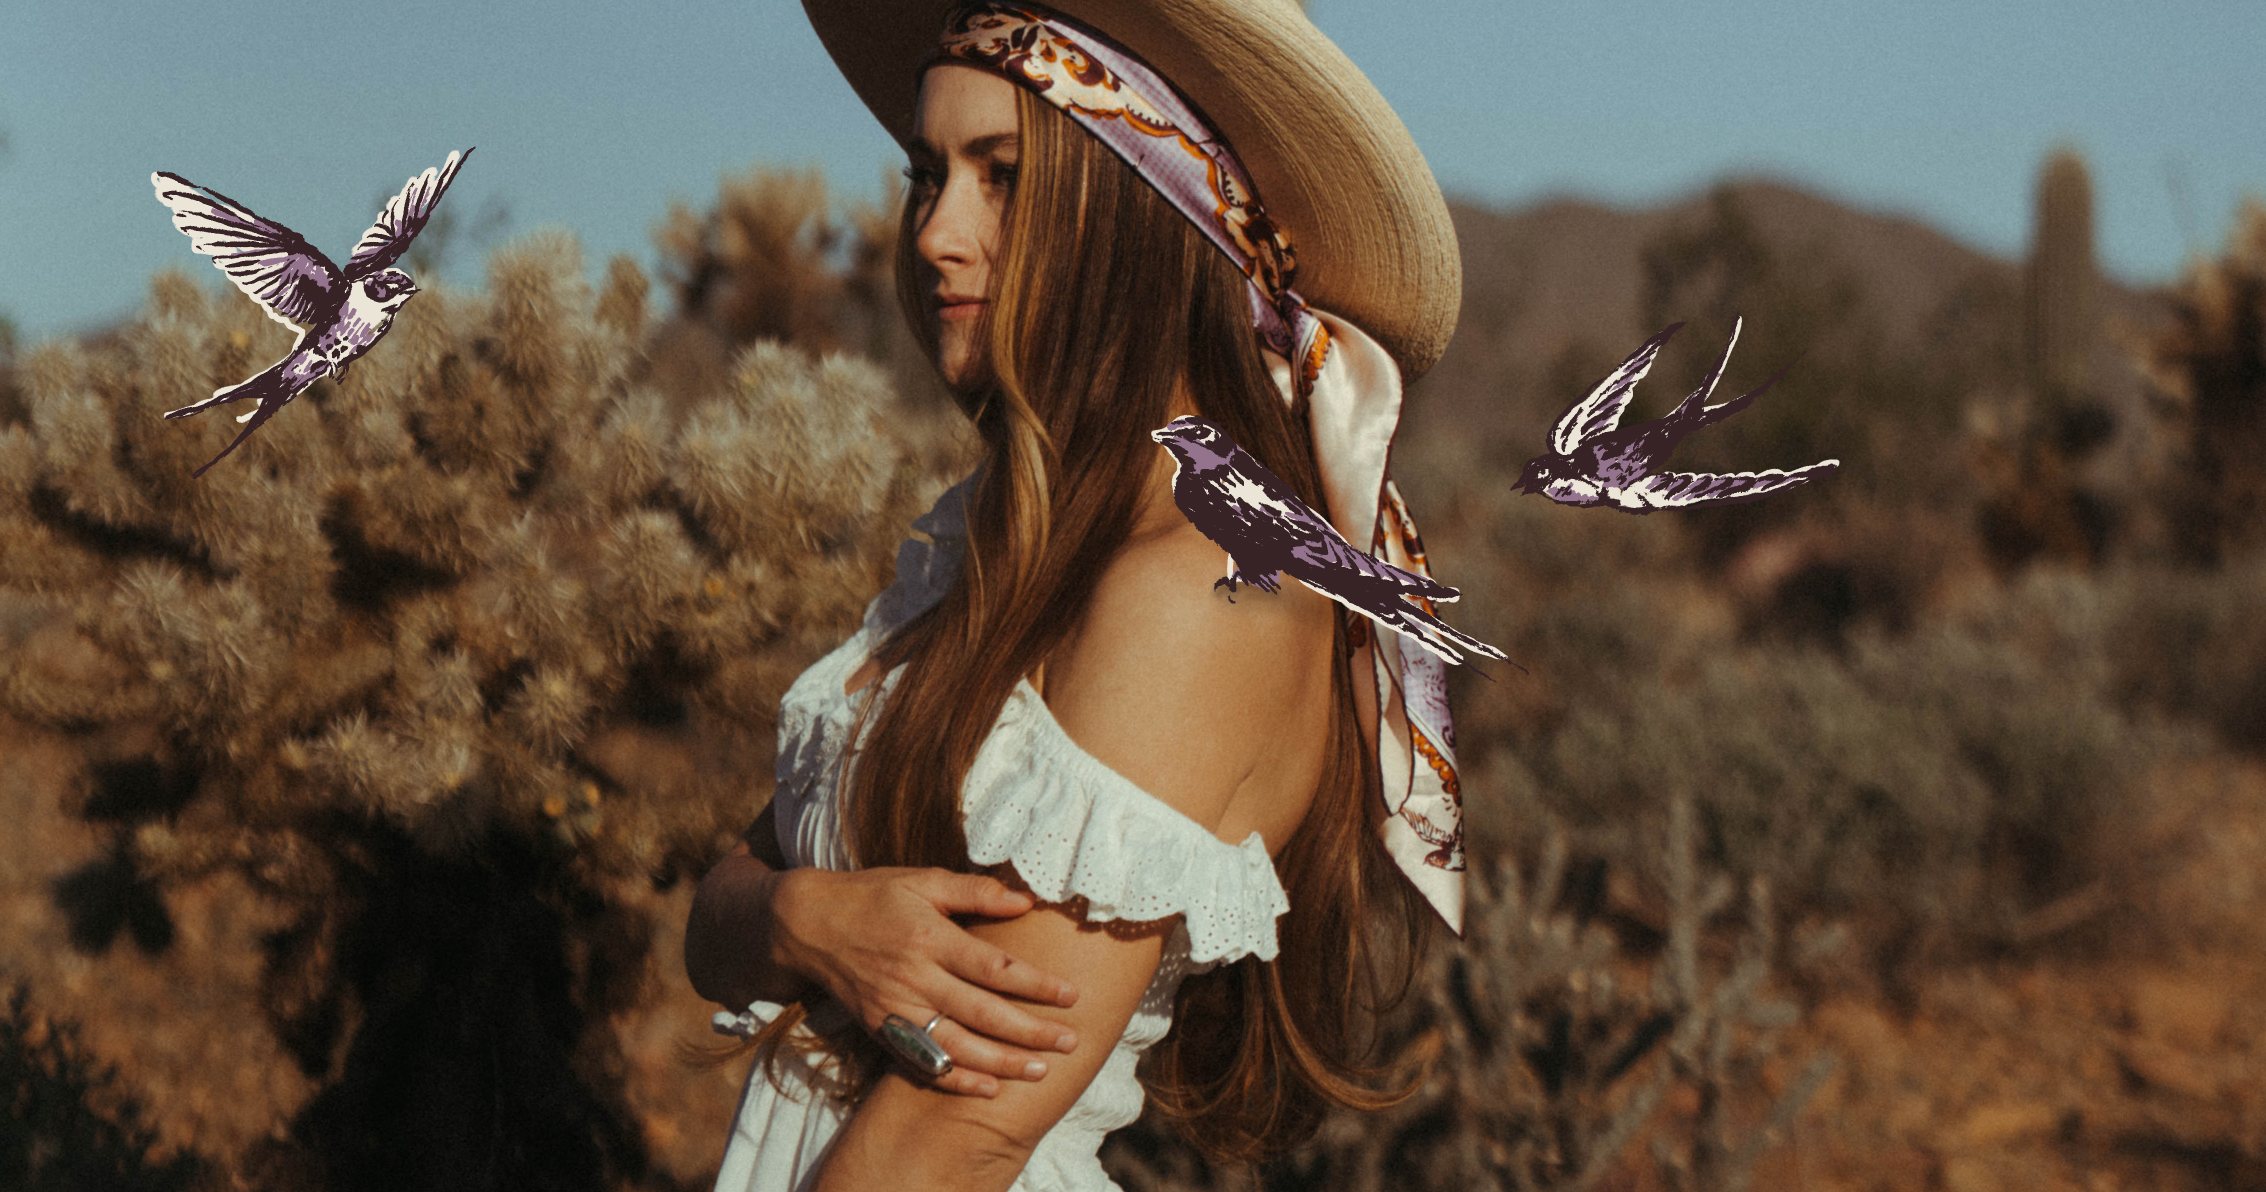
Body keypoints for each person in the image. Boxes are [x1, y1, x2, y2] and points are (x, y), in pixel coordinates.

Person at [684, 2, 1477, 1189]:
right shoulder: (1005, 534)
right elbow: (717, 917)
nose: (936, 234)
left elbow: (963, 1126)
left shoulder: (1201, 587)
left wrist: (789, 929)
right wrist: (805, 919)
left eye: (1001, 177)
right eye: (926, 175)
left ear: (1140, 207)